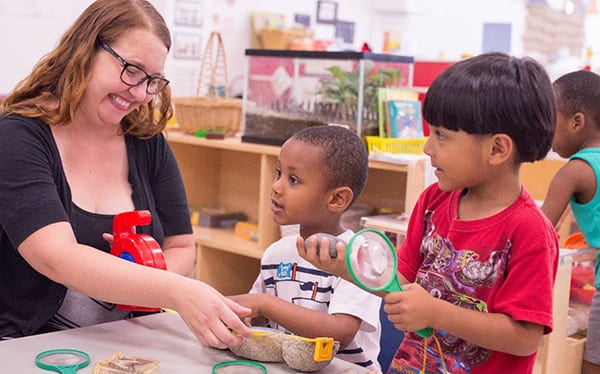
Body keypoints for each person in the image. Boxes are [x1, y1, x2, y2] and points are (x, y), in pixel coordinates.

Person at [0, 0, 251, 347]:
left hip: (126, 344)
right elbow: (56, 258)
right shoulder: (18, 138)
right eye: (131, 70)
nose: (139, 93)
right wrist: (177, 291)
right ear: (85, 50)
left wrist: (134, 277)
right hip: (30, 348)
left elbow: (181, 246)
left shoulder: (147, 142)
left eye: (152, 81)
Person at [299, 52, 559, 373]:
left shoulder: (529, 230)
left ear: (496, 149)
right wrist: (348, 269)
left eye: (441, 135)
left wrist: (436, 313)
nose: (427, 147)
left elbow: (525, 338)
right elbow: (402, 284)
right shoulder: (433, 201)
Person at [229, 125, 382, 371]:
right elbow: (256, 315)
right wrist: (231, 310)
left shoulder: (358, 259)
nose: (276, 187)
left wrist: (263, 303)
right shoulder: (276, 253)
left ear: (336, 199)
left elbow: (339, 332)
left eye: (293, 180)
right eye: (278, 173)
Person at [541, 70, 600, 374]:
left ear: (577, 122)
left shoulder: (575, 170)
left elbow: (538, 231)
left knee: (593, 363)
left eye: (552, 121)